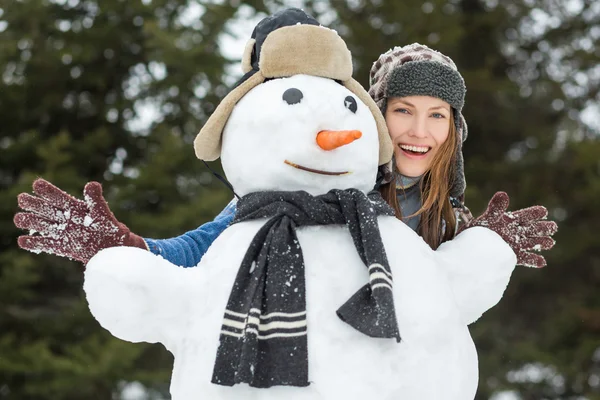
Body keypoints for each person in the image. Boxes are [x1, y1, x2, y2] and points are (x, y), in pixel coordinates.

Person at [13, 39, 555, 268]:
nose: (419, 130)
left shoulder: (445, 218)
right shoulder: (317, 187)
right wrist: (121, 247)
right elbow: (202, 248)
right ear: (375, 117)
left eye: (438, 115)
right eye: (402, 110)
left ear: (454, 130)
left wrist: (485, 247)